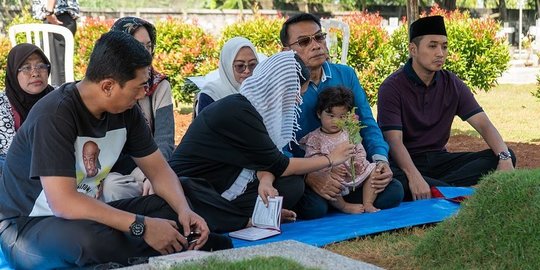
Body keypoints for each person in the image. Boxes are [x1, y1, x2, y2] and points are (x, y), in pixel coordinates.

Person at [0, 31, 231, 269]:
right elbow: (63, 202)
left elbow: (160, 172)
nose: (143, 94)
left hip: (87, 212)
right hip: (28, 226)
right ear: (108, 86)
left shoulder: (126, 111)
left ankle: (173, 241)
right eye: (139, 87)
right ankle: (178, 246)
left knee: (175, 200)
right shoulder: (55, 114)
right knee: (88, 240)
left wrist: (183, 211)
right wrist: (141, 226)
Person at [168, 51, 356, 232]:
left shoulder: (253, 109)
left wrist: (265, 181)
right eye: (296, 93)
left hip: (224, 181)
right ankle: (244, 220)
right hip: (189, 190)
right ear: (280, 89)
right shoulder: (238, 111)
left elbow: (266, 157)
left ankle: (255, 215)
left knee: (291, 185)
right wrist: (330, 159)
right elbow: (280, 164)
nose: (298, 101)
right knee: (295, 185)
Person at [377, 16, 517, 202]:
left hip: (440, 161)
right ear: (413, 50)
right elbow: (394, 142)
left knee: (503, 154)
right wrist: (414, 176)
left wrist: (505, 158)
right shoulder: (392, 87)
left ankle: (437, 188)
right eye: (432, 46)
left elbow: (483, 124)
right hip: (403, 163)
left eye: (444, 46)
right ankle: (442, 188)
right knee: (393, 181)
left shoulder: (452, 83)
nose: (440, 53)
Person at [280, 13, 403, 219]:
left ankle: (347, 198)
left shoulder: (346, 74)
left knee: (395, 189)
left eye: (319, 37)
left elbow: (367, 123)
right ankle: (341, 200)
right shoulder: (284, 86)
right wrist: (311, 177)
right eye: (304, 41)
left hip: (353, 168)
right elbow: (279, 148)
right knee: (313, 207)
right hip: (307, 170)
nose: (316, 45)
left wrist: (381, 161)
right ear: (286, 51)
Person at [100, 16, 175, 202]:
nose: (145, 53)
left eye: (148, 46)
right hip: (112, 169)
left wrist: (155, 173)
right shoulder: (105, 85)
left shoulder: (159, 85)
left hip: (150, 164)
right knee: (113, 188)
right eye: (137, 46)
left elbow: (164, 139)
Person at [300, 86, 380, 214]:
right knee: (329, 181)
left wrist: (358, 161)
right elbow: (312, 161)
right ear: (319, 113)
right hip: (335, 178)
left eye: (342, 117)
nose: (336, 121)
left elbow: (359, 148)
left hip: (356, 174)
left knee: (375, 170)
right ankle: (343, 206)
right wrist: (330, 168)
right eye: (331, 116)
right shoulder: (315, 138)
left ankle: (368, 203)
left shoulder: (350, 132)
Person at [0, 43, 55, 177]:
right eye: (26, 68)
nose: (35, 73)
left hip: (60, 168)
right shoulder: (2, 104)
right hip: (15, 174)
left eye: (41, 66)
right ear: (14, 72)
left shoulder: (59, 97)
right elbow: (12, 155)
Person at [194, 36, 259, 116]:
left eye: (252, 64)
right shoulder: (212, 94)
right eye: (240, 66)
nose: (247, 71)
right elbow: (204, 127)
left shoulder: (260, 90)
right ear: (227, 66)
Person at [32, 0, 79, 86]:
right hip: (55, 16)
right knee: (54, 69)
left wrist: (49, 11)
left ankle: (61, 98)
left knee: (57, 73)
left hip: (57, 16)